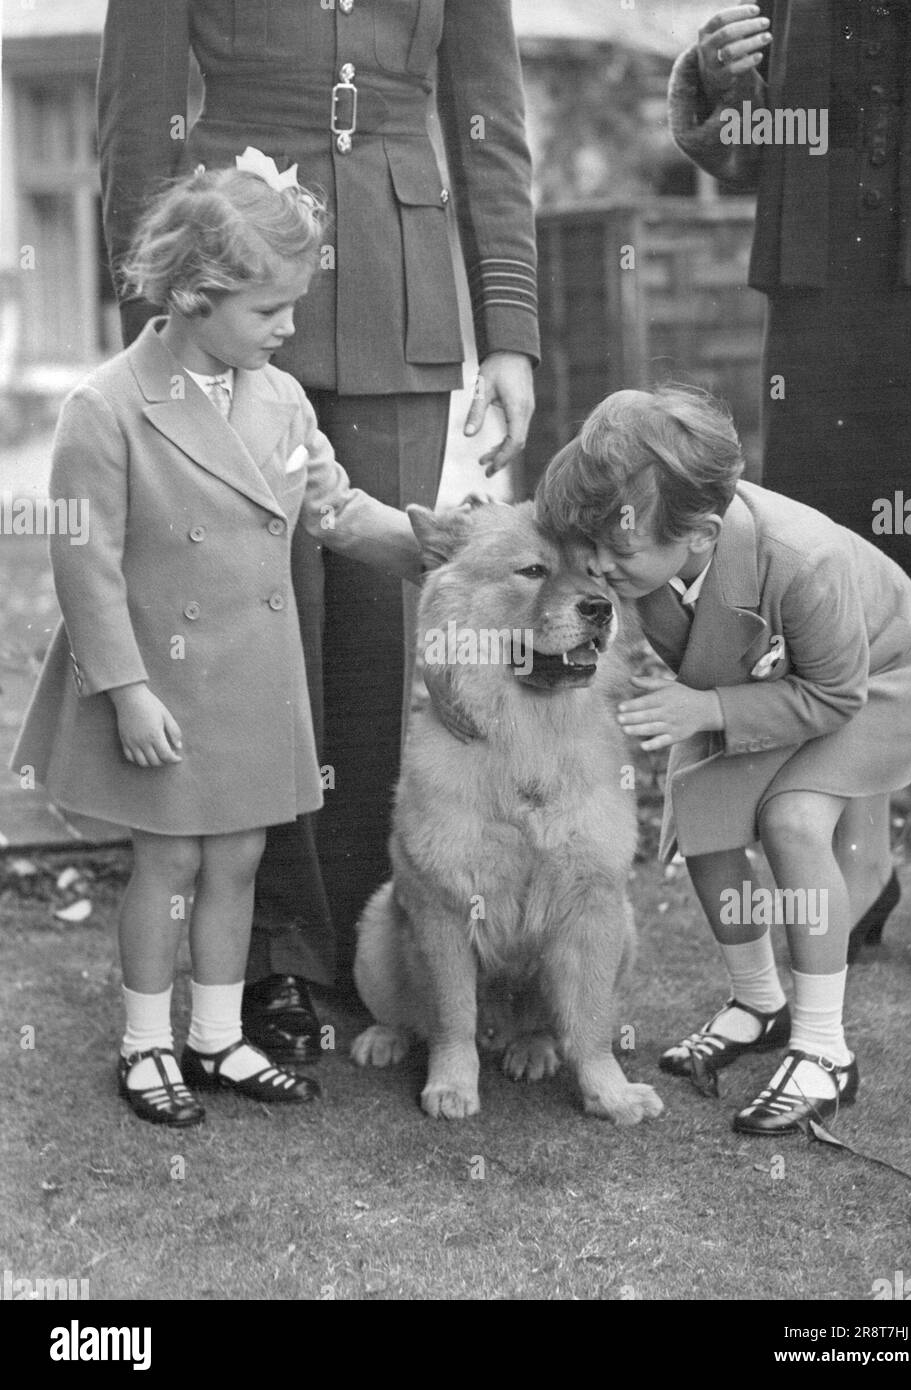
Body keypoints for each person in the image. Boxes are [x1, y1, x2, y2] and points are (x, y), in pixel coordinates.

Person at [97, 0, 541, 1059]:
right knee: (253, 637)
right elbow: (137, 118)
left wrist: (511, 331)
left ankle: (365, 936)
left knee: (371, 639)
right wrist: (153, 337)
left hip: (401, 286)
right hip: (238, 279)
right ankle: (266, 956)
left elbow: (487, 113)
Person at [11, 163, 423, 1127]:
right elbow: (86, 567)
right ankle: (145, 1045)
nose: (288, 328)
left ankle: (214, 1037)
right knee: (168, 867)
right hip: (160, 683)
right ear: (195, 295)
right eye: (268, 308)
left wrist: (432, 549)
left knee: (237, 861)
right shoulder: (105, 408)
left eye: (294, 306)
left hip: (254, 681)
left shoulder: (278, 398)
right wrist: (124, 689)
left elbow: (333, 506)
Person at [535, 386, 911, 1133]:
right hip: (758, 680)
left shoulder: (801, 558)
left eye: (615, 550)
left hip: (875, 679)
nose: (595, 565)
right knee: (702, 816)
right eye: (589, 543)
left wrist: (711, 712)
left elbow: (834, 695)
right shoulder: (634, 555)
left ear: (700, 531)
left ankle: (824, 1052)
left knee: (790, 821)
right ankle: (760, 1004)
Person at [667, 1, 911, 990]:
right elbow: (750, 149)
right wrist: (716, 76)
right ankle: (861, 855)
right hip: (817, 286)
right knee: (832, 574)